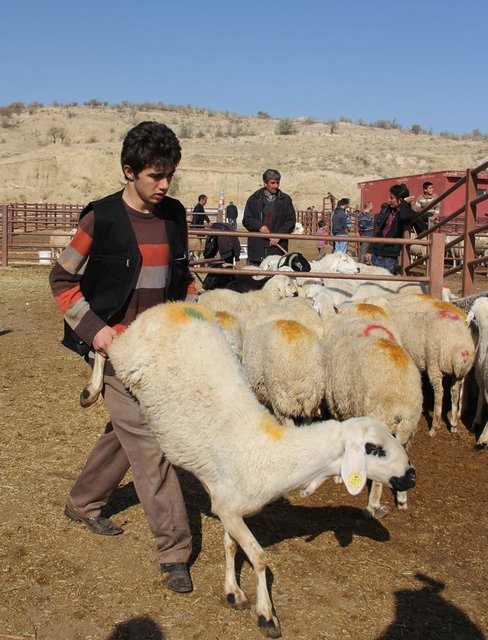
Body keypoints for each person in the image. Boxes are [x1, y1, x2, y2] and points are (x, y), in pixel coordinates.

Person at [49, 121, 196, 594]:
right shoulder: (101, 218)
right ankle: (174, 549)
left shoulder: (174, 215)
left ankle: (83, 501)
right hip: (114, 353)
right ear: (129, 171)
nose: (165, 184)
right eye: (156, 175)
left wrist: (197, 312)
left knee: (124, 432)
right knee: (150, 442)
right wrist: (98, 333)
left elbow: (182, 277)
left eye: (169, 174)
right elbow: (61, 280)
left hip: (160, 350)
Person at [242, 169, 296, 265]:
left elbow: (290, 221)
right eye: (273, 183)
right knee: (254, 278)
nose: (276, 186)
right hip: (257, 250)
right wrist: (259, 226)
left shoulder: (285, 200)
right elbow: (247, 219)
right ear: (265, 183)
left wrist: (278, 235)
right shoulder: (254, 199)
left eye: (278, 183)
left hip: (277, 251)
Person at [370, 183, 418, 275]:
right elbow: (378, 228)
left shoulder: (408, 214)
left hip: (389, 257)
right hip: (376, 254)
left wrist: (403, 203)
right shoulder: (387, 209)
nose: (389, 200)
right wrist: (370, 250)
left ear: (399, 200)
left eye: (391, 198)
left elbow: (403, 217)